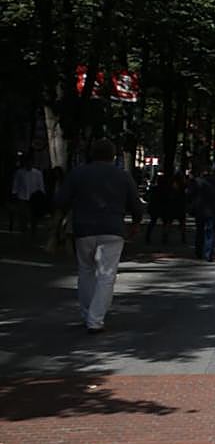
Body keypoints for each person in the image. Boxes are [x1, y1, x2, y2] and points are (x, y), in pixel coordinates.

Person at [55, 139, 142, 333]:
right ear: (113, 156)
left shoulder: (78, 173)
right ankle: (95, 320)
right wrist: (135, 223)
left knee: (85, 271)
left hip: (83, 228)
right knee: (106, 275)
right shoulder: (123, 176)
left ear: (92, 154)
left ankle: (87, 314)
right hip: (112, 229)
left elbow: (61, 200)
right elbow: (136, 204)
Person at [189, 167, 215, 261]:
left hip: (200, 209)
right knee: (210, 233)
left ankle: (198, 252)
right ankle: (208, 254)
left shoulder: (197, 182)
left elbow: (190, 194)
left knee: (199, 231)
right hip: (212, 210)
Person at [10, 153, 45, 236]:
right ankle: (23, 229)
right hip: (22, 196)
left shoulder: (38, 173)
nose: (29, 164)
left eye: (30, 162)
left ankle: (33, 229)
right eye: (27, 162)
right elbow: (16, 183)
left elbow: (41, 185)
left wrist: (42, 194)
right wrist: (14, 193)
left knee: (34, 215)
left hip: (34, 197)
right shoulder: (20, 172)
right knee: (23, 214)